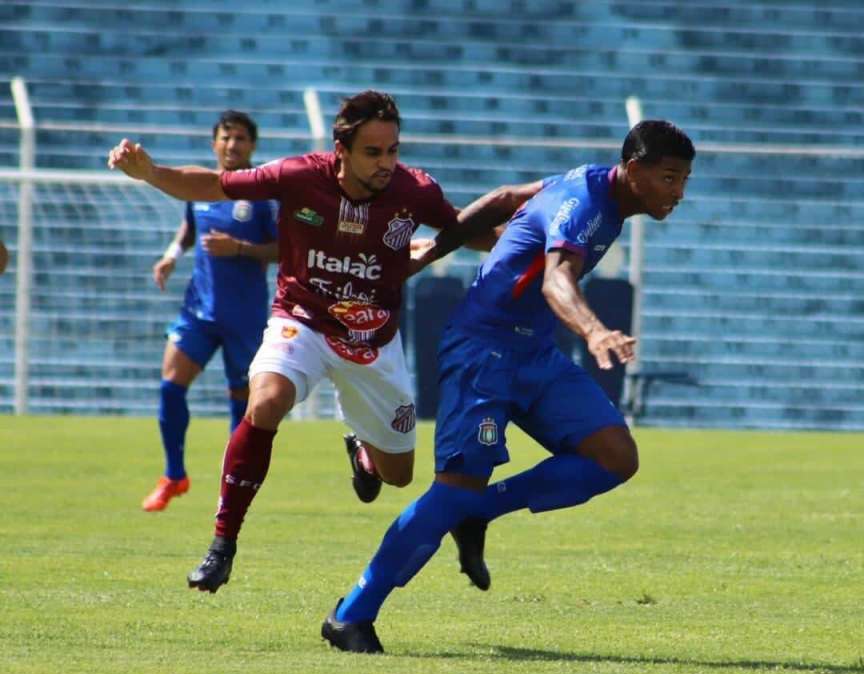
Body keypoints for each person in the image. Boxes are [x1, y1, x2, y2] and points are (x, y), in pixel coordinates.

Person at [108, 90, 542, 593]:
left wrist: (535, 235)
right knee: (266, 401)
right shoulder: (297, 175)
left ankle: (362, 448)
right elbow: (215, 185)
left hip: (374, 341)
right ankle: (222, 545)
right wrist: (152, 173)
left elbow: (464, 229)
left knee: (398, 476)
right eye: (373, 152)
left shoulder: (414, 190)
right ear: (342, 149)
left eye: (393, 150)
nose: (386, 163)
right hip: (303, 321)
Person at [321, 120, 695, 653]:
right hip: (483, 351)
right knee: (453, 488)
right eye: (669, 178)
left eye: (684, 180)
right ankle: (350, 615)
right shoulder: (586, 205)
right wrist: (593, 330)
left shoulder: (585, 185)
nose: (678, 193)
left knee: (615, 455)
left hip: (534, 353)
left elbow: (501, 199)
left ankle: (480, 511)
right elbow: (556, 279)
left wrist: (435, 250)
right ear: (634, 170)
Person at [141, 110, 279, 513]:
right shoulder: (202, 187)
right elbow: (189, 227)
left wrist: (240, 249)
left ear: (252, 145)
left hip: (245, 316)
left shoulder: (264, 195)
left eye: (240, 138)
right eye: (225, 137)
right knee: (170, 383)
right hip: (199, 310)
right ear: (214, 143)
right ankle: (173, 475)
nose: (232, 145)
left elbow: (286, 250)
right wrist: (170, 255)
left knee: (241, 401)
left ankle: (230, 488)